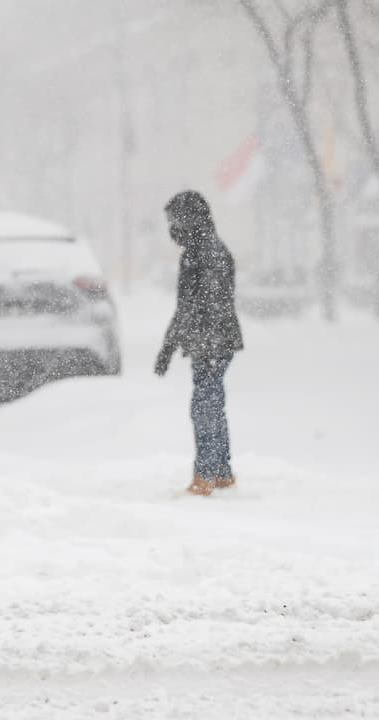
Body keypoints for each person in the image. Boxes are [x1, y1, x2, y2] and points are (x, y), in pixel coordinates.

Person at [154, 190, 244, 496]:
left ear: (190, 219)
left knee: (204, 405)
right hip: (211, 342)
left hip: (212, 343)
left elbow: (197, 305)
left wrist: (170, 346)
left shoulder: (205, 253)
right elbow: (190, 306)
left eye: (175, 221)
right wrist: (172, 344)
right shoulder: (203, 249)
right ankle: (220, 472)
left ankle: (206, 475)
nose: (171, 229)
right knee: (211, 403)